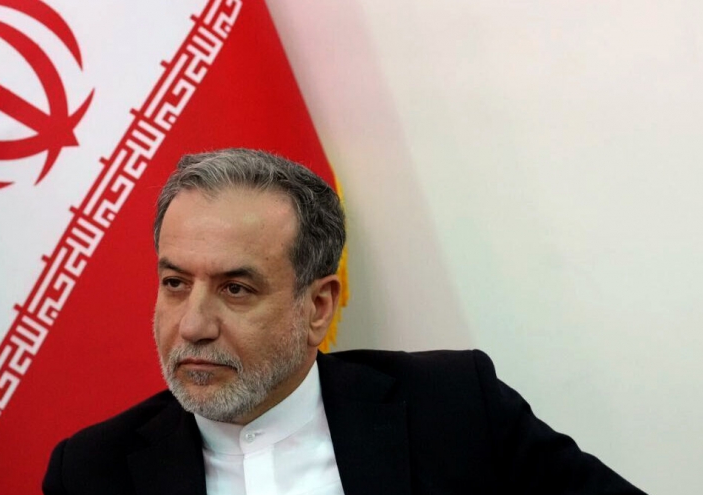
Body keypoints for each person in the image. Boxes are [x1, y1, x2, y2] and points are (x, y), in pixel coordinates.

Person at [42, 148, 644, 495]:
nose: (193, 324)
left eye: (236, 289)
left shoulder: (453, 409)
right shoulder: (92, 472)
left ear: (319, 307)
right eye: (175, 284)